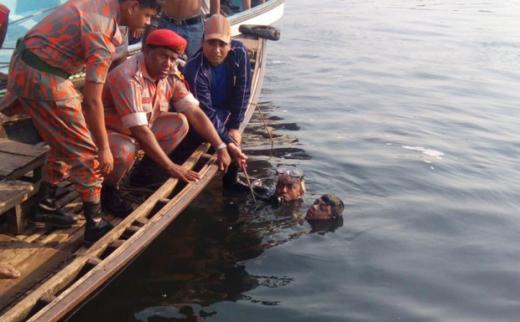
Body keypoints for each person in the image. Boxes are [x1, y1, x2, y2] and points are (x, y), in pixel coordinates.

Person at [2, 0, 160, 244]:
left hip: (29, 66)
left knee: (63, 139)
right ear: (132, 6)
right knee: (86, 150)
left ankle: (46, 203)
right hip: (43, 77)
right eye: (147, 15)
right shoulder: (103, 32)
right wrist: (103, 148)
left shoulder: (101, 5)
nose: (148, 22)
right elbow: (92, 102)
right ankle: (94, 223)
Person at [102, 28, 235, 215]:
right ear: (146, 51)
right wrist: (170, 166)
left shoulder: (170, 74)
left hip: (139, 128)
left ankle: (144, 173)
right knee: (126, 150)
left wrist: (220, 146)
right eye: (163, 56)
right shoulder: (128, 76)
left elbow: (194, 112)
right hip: (107, 132)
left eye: (173, 58)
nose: (168, 64)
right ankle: (108, 190)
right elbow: (140, 130)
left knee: (181, 123)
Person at [184, 14, 250, 185]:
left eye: (222, 44)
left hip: (226, 112)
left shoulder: (240, 53)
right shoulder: (194, 70)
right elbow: (206, 112)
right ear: (202, 42)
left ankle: (230, 186)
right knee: (228, 144)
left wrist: (234, 127)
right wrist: (226, 141)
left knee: (235, 143)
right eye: (211, 43)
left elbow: (243, 91)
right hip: (205, 116)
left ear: (230, 44)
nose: (217, 50)